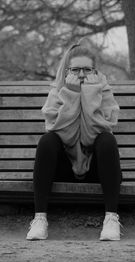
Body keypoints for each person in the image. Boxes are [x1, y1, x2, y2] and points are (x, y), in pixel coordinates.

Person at [26, 38, 122, 241]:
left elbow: (91, 137)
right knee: (47, 141)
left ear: (95, 72)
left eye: (87, 70)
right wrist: (71, 95)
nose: (81, 75)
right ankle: (39, 218)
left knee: (107, 140)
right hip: (65, 168)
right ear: (67, 70)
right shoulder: (58, 91)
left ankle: (111, 218)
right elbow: (64, 136)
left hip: (98, 170)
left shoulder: (104, 92)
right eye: (76, 69)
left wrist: (89, 96)